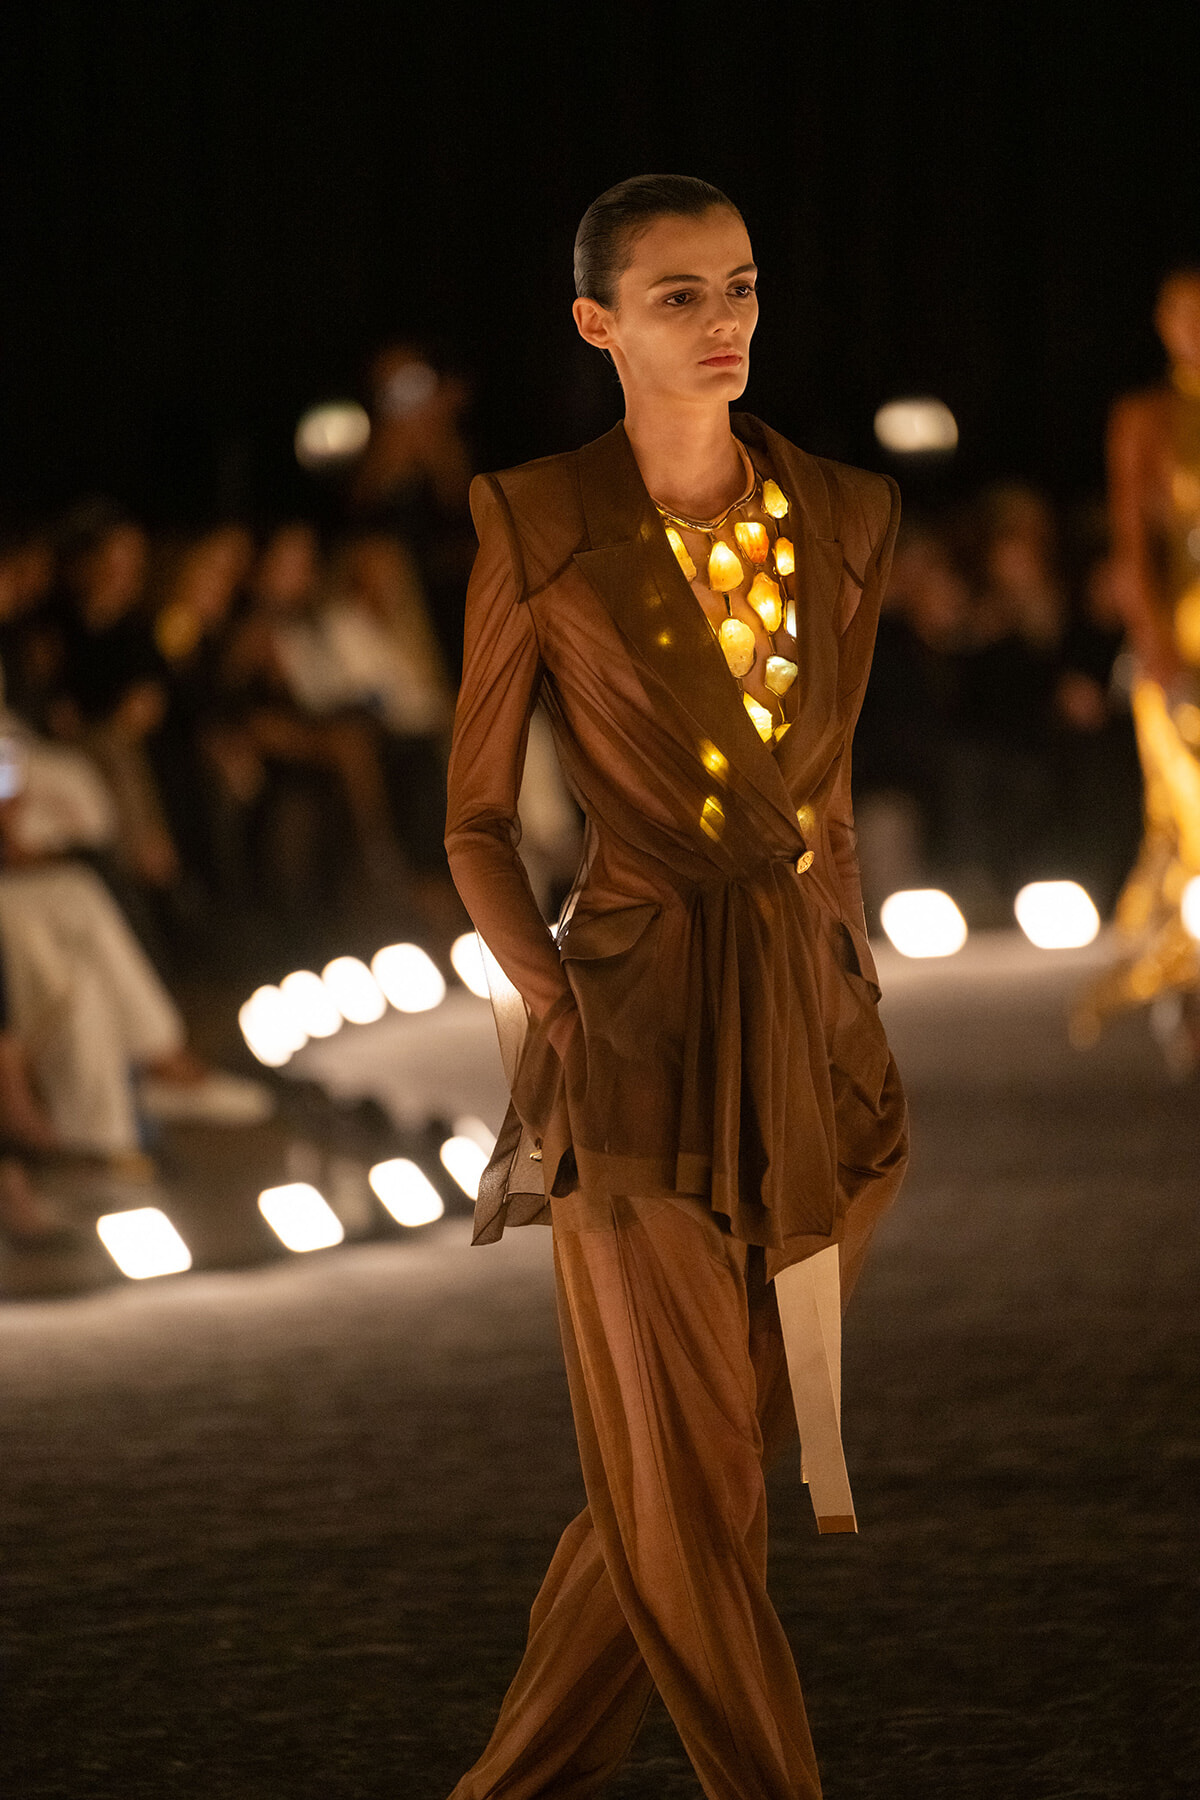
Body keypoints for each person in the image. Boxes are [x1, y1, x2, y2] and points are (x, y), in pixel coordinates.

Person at [442, 175, 908, 1800]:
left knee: (680, 1483)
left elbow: (828, 809)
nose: (725, 325)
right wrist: (554, 1004)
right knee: (694, 1481)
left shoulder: (851, 515)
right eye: (678, 297)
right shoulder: (538, 518)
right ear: (597, 325)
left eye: (742, 287)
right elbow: (475, 819)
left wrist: (855, 1000)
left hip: (812, 1048)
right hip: (632, 1033)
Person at [1073, 268, 1200, 1059]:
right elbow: (1130, 538)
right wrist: (1153, 645)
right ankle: (1184, 979)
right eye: (1184, 316)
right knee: (1188, 811)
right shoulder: (1148, 416)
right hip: (1187, 632)